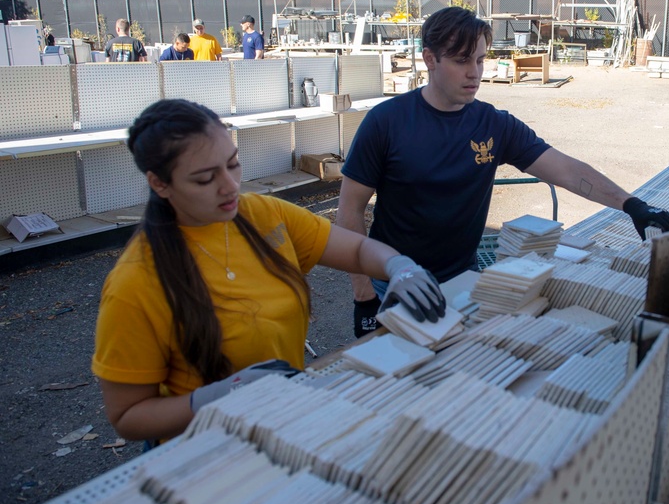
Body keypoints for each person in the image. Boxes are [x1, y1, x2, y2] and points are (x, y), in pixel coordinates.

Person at [92, 99, 445, 443]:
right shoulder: (135, 284)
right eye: (204, 179)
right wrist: (218, 396)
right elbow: (128, 416)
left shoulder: (261, 215)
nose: (229, 186)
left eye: (232, 165)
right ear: (160, 183)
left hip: (281, 423)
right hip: (205, 451)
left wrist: (397, 266)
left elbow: (355, 248)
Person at [338, 7, 669, 336]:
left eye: (481, 60)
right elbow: (349, 211)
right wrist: (364, 296)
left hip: (463, 280)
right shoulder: (386, 123)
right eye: (461, 61)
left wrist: (631, 204)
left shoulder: (494, 124)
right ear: (430, 59)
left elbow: (566, 170)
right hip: (395, 284)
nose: (475, 72)